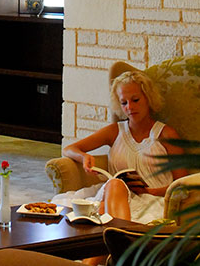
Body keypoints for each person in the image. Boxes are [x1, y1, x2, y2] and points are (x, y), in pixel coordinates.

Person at [63, 70, 186, 222]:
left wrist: (149, 191)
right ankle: (117, 237)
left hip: (152, 201)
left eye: (135, 100)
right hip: (115, 195)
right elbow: (69, 149)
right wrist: (84, 157)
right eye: (124, 102)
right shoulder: (115, 131)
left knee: (98, 210)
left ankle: (117, 235)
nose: (129, 107)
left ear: (148, 99)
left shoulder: (166, 135)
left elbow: (182, 184)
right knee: (110, 190)